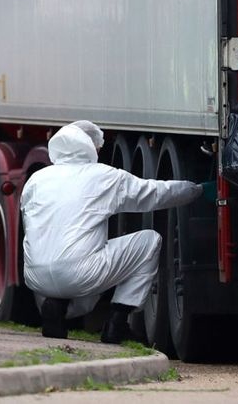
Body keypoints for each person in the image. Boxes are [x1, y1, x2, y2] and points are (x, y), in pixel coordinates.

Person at [20, 120, 201, 344]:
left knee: (81, 260)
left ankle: (56, 308)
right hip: (79, 273)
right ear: (90, 147)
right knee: (149, 241)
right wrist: (196, 189)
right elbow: (154, 194)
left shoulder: (37, 179)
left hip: (35, 277)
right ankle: (118, 321)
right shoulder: (104, 176)